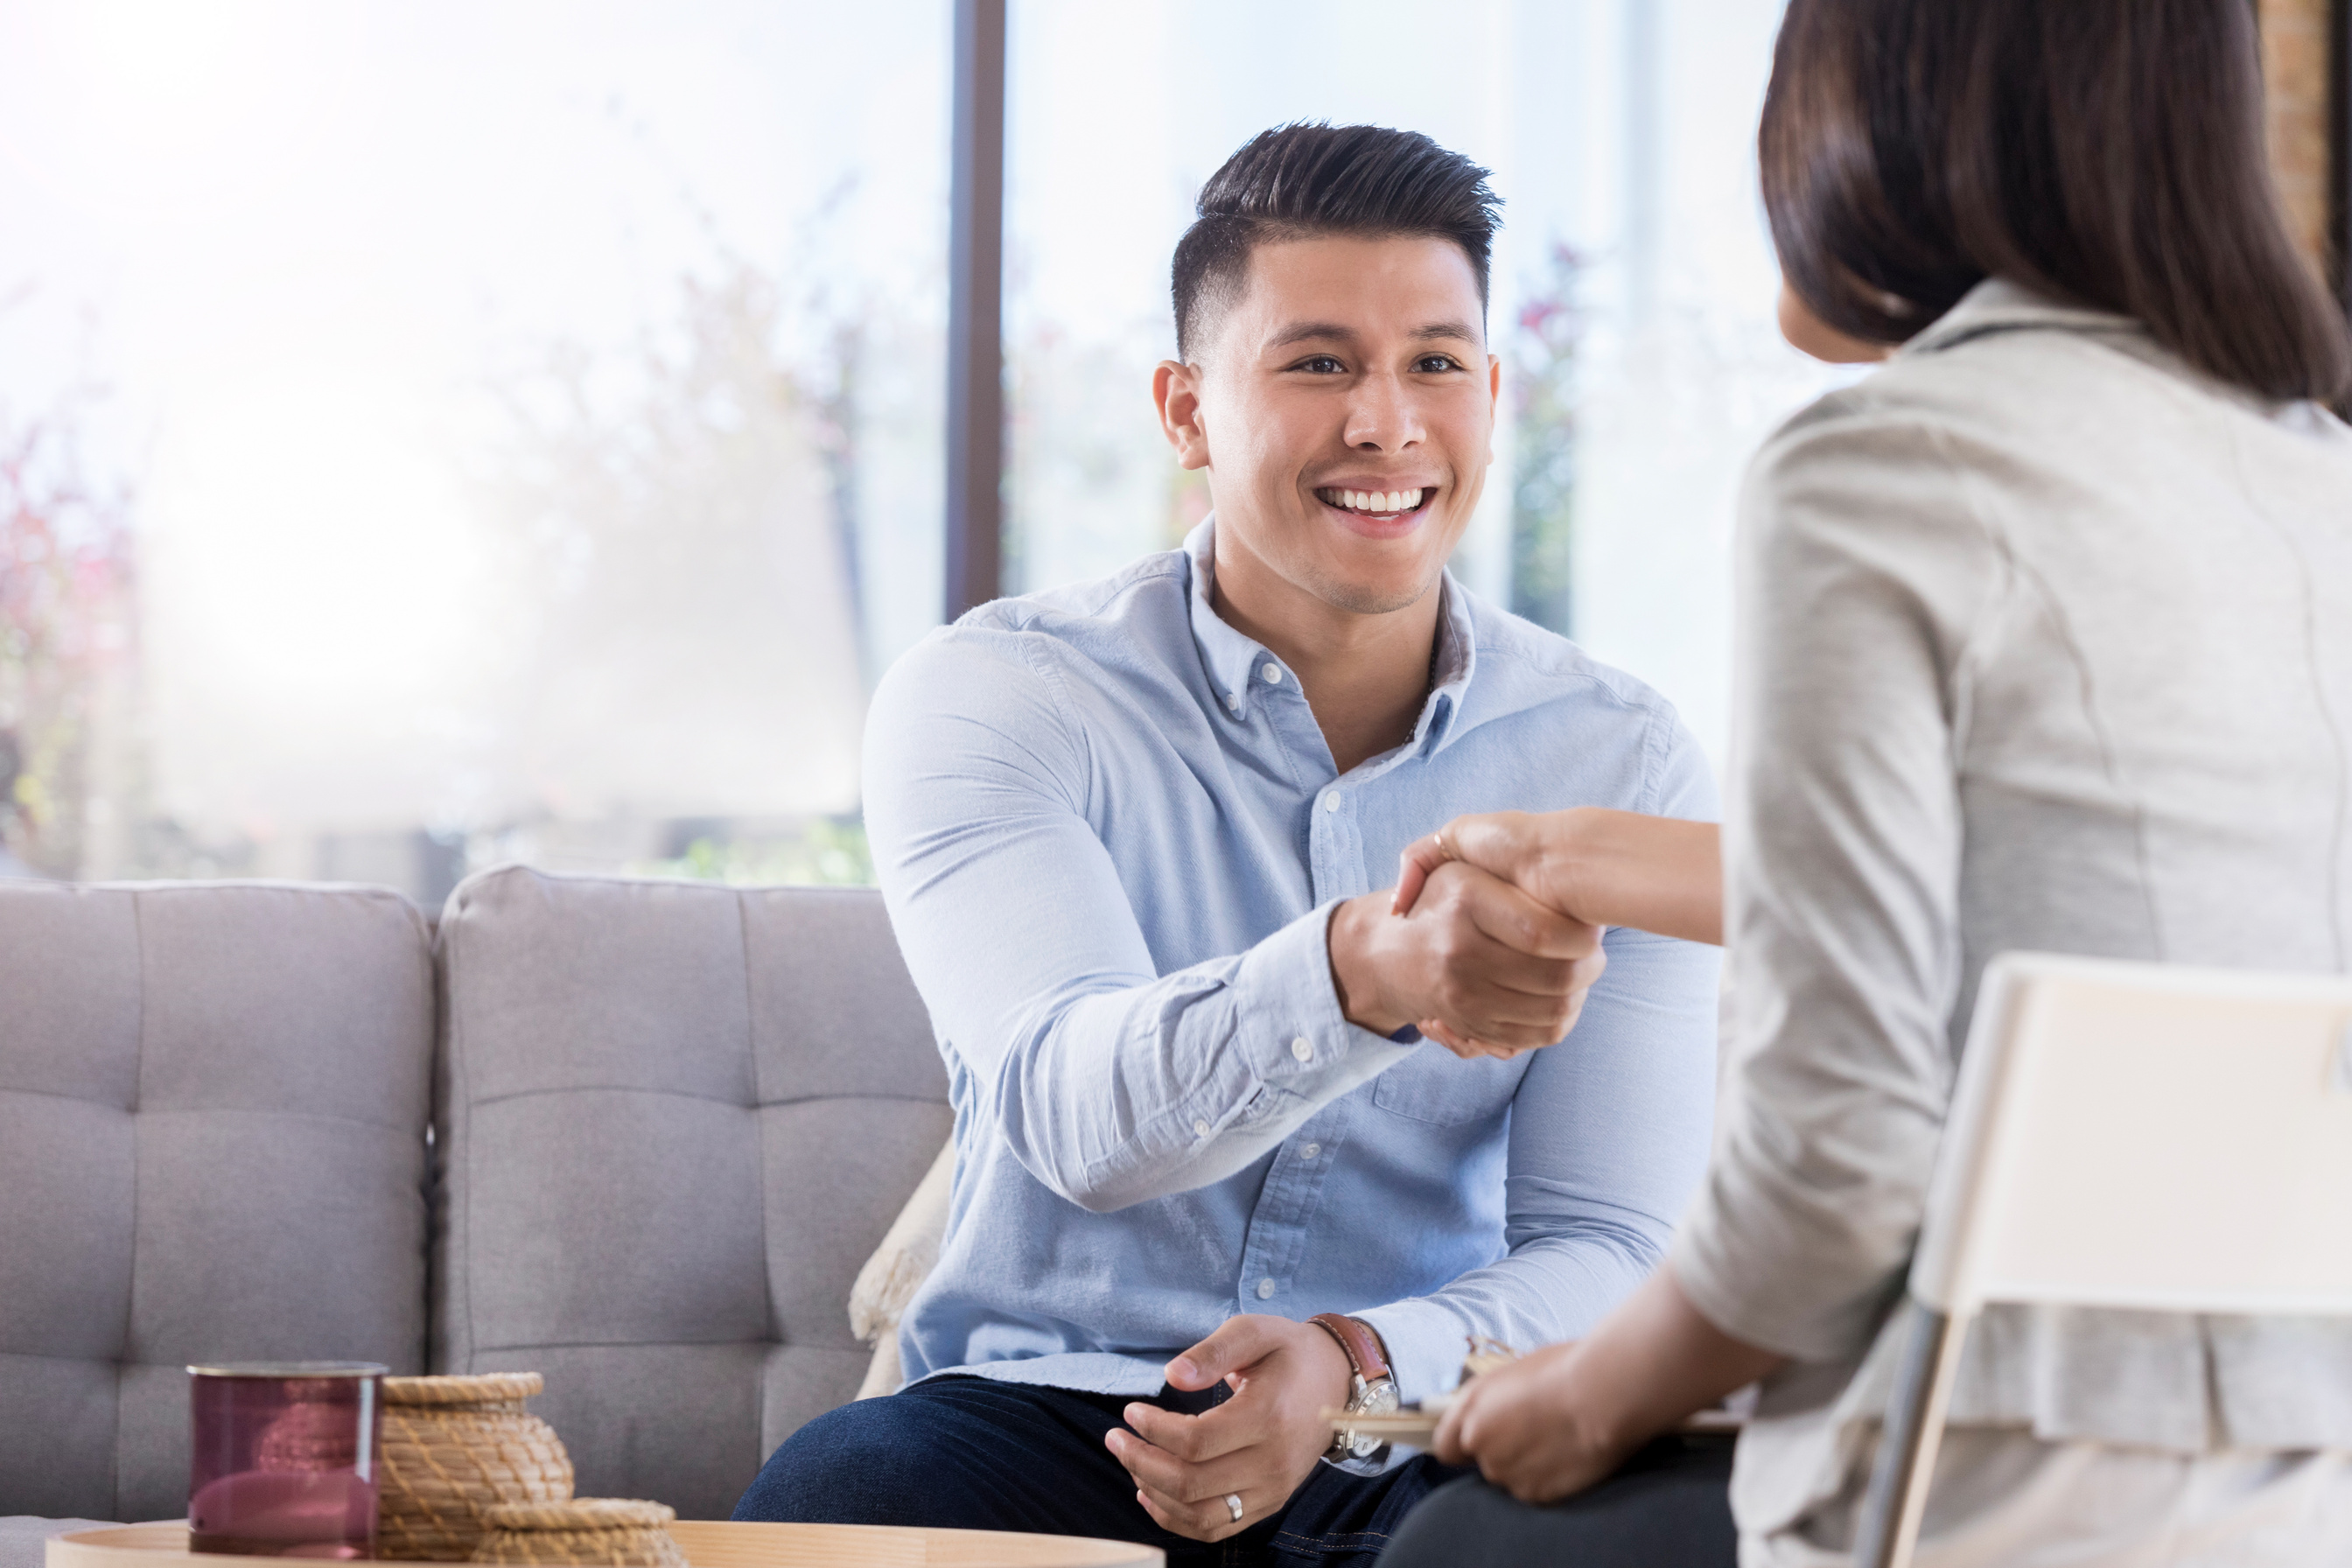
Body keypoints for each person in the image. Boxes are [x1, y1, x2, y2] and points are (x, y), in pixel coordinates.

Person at [1376, 2, 2352, 1564]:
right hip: (2304, 1469)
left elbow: (1835, 1170)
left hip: (1993, 1480)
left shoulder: (1876, 476)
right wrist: (1578, 853)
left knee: (1455, 1541)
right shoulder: (2314, 478)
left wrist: (1594, 1397)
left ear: (1884, 115)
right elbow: (2066, 890)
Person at [731, 123, 1724, 1567]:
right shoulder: (1000, 696)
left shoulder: (1620, 756)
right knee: (844, 1506)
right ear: (1188, 410)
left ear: (1493, 398)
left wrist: (1357, 1361)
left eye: (1437, 364)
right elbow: (1078, 1115)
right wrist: (1366, 972)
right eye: (1318, 363)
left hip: (1415, 1435)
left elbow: (1611, 1249)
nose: (1386, 425)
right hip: (1052, 1421)